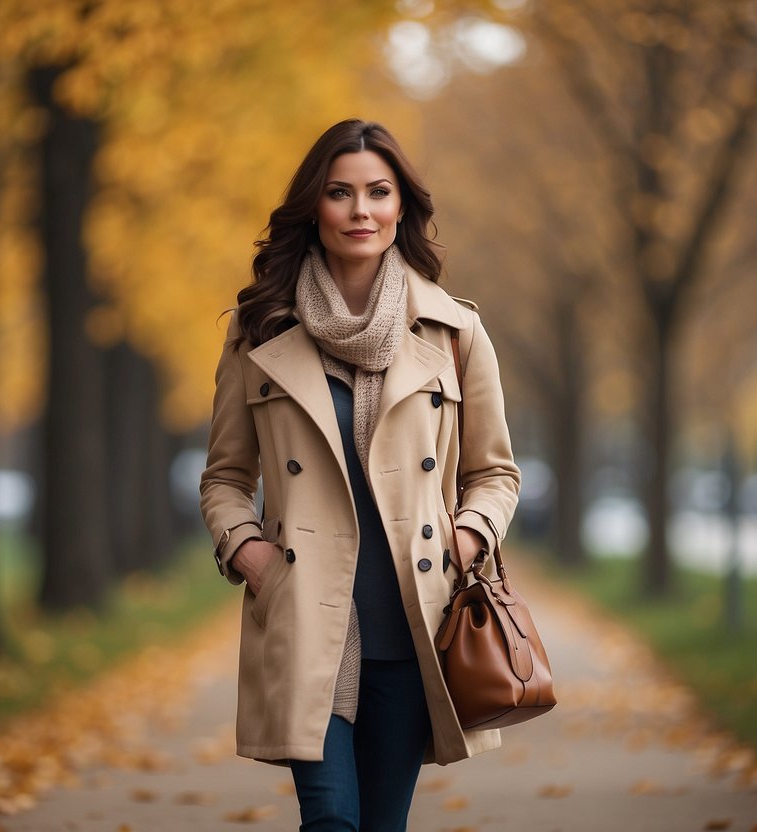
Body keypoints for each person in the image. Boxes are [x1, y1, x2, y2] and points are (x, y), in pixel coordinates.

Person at [199, 118, 521, 832]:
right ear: (315, 206)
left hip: (415, 625)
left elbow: (494, 472)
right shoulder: (259, 331)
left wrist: (465, 540)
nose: (360, 210)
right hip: (305, 619)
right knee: (331, 821)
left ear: (401, 206)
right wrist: (250, 555)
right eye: (340, 193)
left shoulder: (454, 331)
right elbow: (224, 476)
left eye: (378, 192)